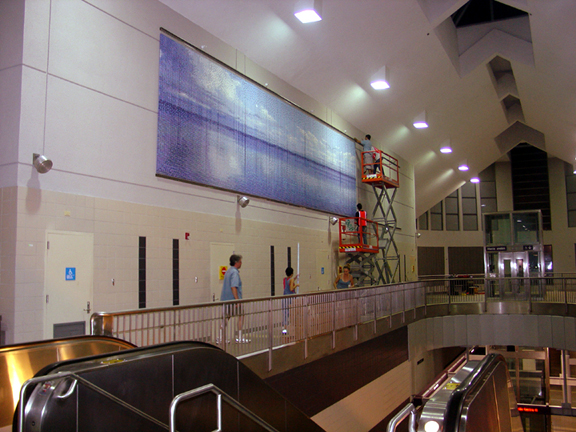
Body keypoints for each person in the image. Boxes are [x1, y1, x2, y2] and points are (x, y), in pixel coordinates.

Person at [220, 254, 249, 343]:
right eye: (240, 261)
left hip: (225, 300)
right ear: (236, 262)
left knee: (225, 318)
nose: (241, 263)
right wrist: (237, 300)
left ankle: (221, 337)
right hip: (233, 300)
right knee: (241, 316)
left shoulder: (228, 271)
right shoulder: (235, 273)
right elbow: (233, 287)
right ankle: (240, 336)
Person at [281, 267, 299, 334]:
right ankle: (292, 327)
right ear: (292, 273)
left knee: (285, 313)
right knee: (291, 312)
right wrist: (296, 285)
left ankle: (284, 328)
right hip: (290, 298)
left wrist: (295, 278)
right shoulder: (291, 280)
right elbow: (291, 288)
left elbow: (289, 283)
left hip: (284, 297)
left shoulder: (285, 279)